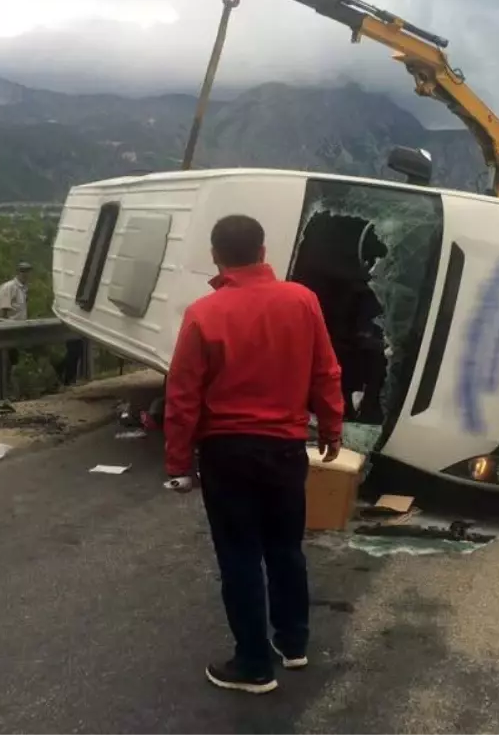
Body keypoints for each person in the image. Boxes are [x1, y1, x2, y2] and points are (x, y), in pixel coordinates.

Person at [164, 214, 343, 695]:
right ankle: (294, 643)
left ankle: (253, 664)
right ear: (263, 252)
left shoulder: (204, 313)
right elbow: (325, 370)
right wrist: (331, 426)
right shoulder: (303, 301)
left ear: (217, 256)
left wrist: (179, 463)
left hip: (228, 452)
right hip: (286, 449)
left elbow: (183, 394)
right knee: (285, 549)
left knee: (240, 555)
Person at [0, 261, 31, 399]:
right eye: (23, 271)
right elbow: (3, 310)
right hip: (5, 329)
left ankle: (3, 394)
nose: (25, 274)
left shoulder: (23, 289)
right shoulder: (9, 287)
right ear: (18, 272)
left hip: (15, 331)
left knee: (10, 363)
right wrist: (4, 330)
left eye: (27, 271)